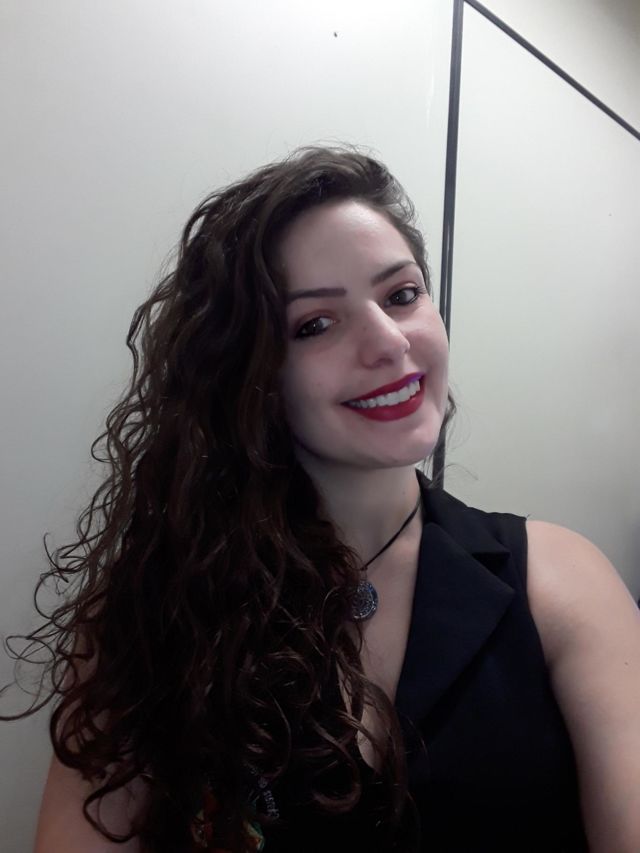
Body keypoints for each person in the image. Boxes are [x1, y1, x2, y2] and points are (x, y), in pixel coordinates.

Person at [7, 145, 640, 852]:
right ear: (248, 371)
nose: (388, 343)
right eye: (314, 324)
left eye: (402, 295)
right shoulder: (153, 608)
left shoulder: (561, 580)